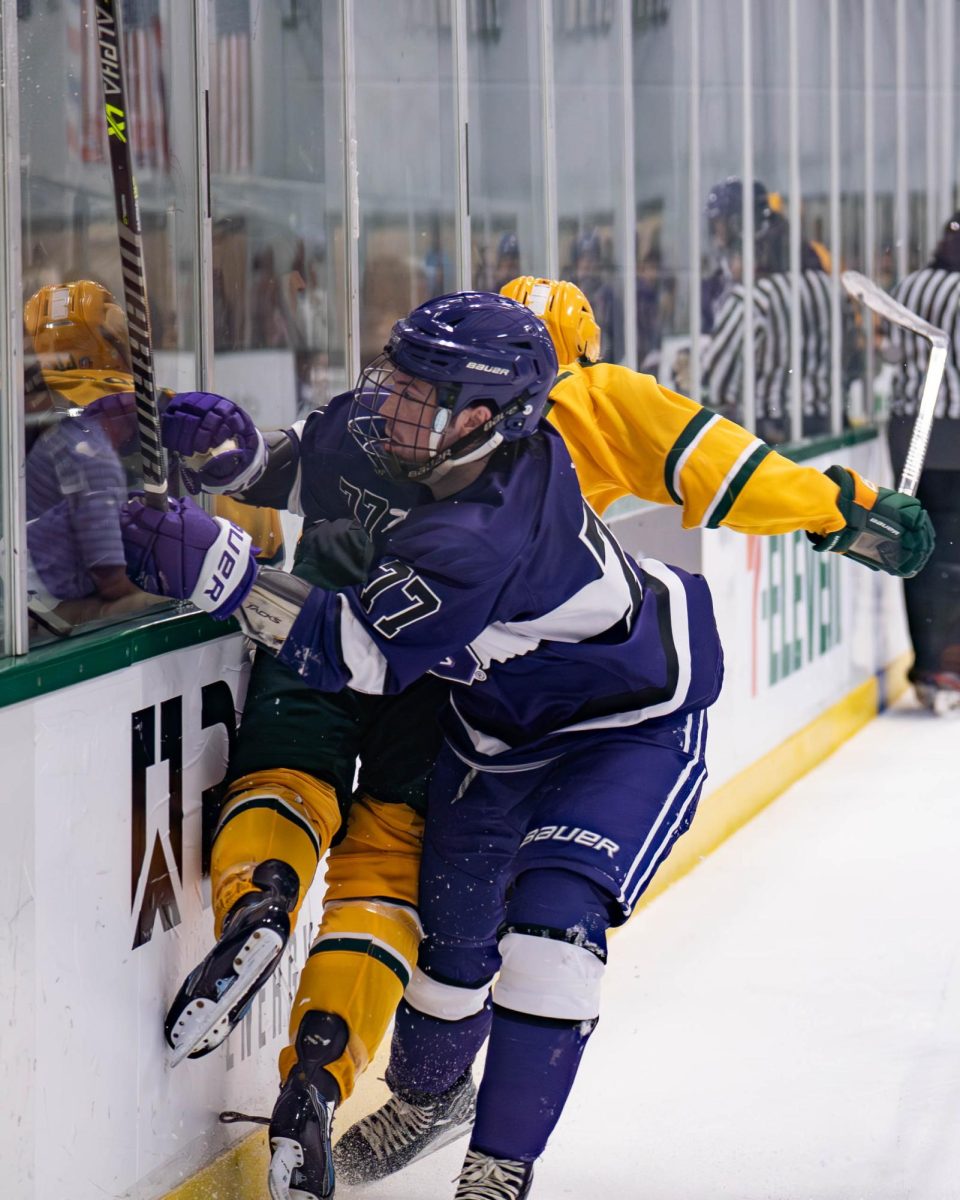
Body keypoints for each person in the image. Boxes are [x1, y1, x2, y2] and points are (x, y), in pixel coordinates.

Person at [119, 290, 933, 1200]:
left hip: (624, 726)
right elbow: (314, 464)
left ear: (484, 421)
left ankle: (499, 1169)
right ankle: (429, 1101)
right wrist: (244, 456)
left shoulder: (491, 528)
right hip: (491, 729)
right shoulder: (416, 430)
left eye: (421, 392)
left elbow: (356, 653)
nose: (391, 401)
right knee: (452, 946)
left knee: (552, 934)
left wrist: (223, 571)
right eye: (397, 377)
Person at [886, 211, 960, 714]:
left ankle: (932, 663)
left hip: (911, 431)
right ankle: (949, 665)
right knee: (953, 551)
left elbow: (892, 355)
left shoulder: (910, 285)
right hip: (955, 429)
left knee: (923, 547)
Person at [701, 177, 835, 444]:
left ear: (741, 227)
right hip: (829, 425)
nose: (718, 239)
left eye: (721, 226)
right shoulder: (827, 286)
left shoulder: (752, 299)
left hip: (771, 437)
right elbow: (852, 354)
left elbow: (715, 384)